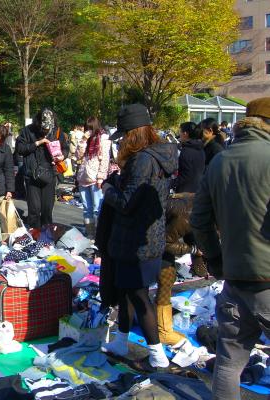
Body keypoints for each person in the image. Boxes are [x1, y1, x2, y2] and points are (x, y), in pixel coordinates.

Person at [190, 97, 270, 400]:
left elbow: (199, 221)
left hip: (234, 278)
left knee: (228, 363)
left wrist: (216, 259)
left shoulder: (220, 161)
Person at [101, 103, 177, 371]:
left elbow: (126, 202)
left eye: (123, 135)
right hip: (146, 237)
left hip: (135, 241)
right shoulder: (157, 156)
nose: (121, 140)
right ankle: (121, 341)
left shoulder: (143, 160)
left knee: (139, 296)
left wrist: (107, 188)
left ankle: (157, 354)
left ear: (132, 133)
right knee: (126, 292)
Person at [157, 193, 206, 346]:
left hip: (164, 233)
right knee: (166, 277)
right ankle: (163, 331)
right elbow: (164, 242)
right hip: (150, 237)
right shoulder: (186, 214)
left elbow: (194, 236)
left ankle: (159, 323)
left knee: (166, 278)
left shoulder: (205, 211)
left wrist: (199, 259)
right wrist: (193, 250)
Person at [16, 107, 69, 229]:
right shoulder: (27, 131)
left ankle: (46, 233)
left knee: (47, 208)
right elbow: (20, 149)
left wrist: (62, 156)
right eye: (44, 127)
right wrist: (37, 143)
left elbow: (65, 148)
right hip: (32, 174)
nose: (46, 130)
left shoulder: (57, 131)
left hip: (50, 172)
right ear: (39, 122)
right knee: (34, 208)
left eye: (48, 128)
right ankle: (34, 232)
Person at [76, 117, 111, 239]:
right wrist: (83, 140)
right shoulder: (85, 140)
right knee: (87, 208)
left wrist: (101, 177)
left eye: (90, 128)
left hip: (96, 178)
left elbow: (105, 160)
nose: (88, 131)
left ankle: (99, 234)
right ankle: (90, 234)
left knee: (97, 208)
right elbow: (78, 156)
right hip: (83, 177)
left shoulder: (104, 139)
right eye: (87, 128)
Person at [174, 121, 205, 193]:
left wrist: (172, 183)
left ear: (185, 133)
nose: (179, 134)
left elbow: (185, 175)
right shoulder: (200, 148)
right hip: (198, 188)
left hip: (185, 191)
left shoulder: (186, 151)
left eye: (180, 132)